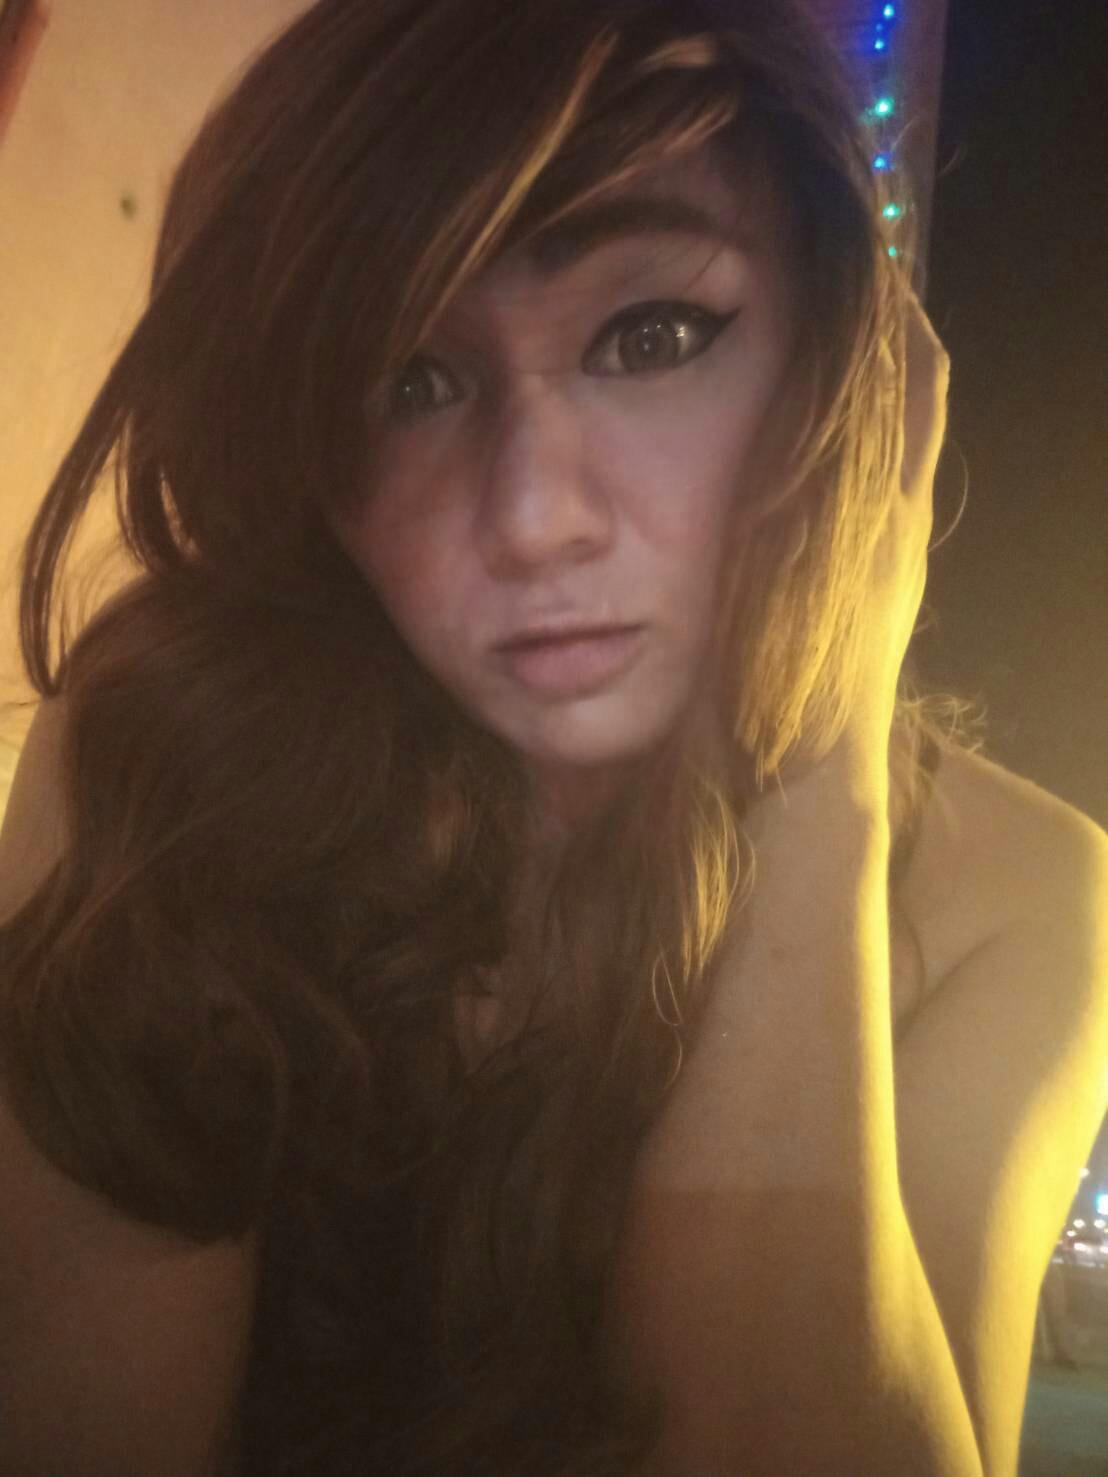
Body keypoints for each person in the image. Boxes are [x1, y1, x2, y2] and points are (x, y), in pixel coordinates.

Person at [0, 2, 1105, 1474]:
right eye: (410, 381)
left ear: (842, 375)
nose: (532, 518)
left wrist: (814, 755)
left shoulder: (1020, 899)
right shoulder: (169, 751)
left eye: (651, 337)